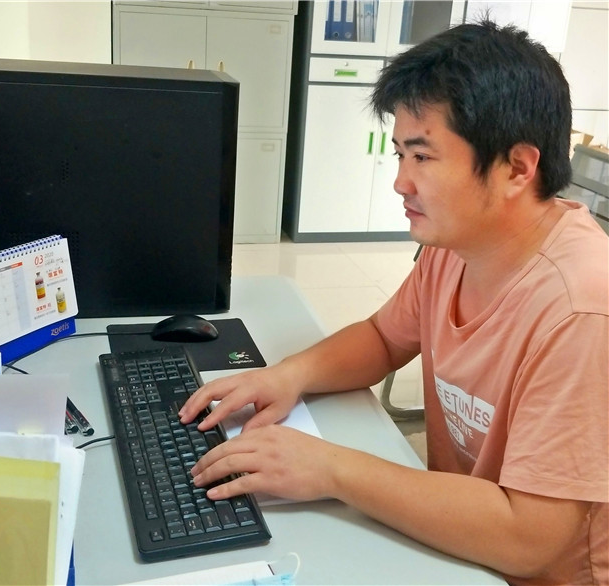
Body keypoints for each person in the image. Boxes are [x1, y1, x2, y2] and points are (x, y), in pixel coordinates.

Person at [179, 19, 608, 586]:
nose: (401, 183)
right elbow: (384, 338)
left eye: (422, 157)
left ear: (516, 168)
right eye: (400, 154)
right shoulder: (457, 245)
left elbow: (532, 541)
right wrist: (287, 376)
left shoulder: (581, 310)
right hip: (457, 541)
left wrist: (331, 469)